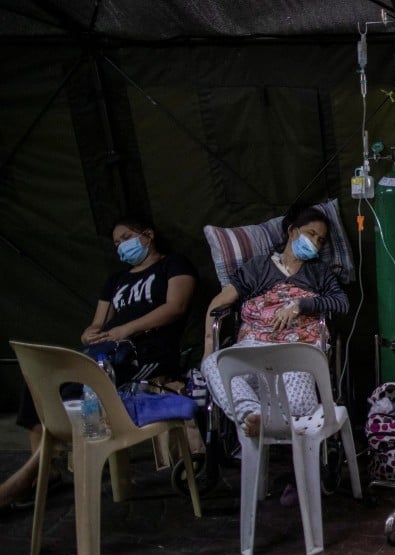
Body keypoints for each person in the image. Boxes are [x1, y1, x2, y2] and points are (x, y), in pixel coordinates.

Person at [1, 217, 197, 509]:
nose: (122, 245)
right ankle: (47, 469)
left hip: (146, 352)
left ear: (148, 235)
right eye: (117, 242)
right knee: (40, 381)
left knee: (81, 385)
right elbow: (97, 323)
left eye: (126, 237)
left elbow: (175, 306)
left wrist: (127, 329)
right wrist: (89, 333)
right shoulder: (116, 280)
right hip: (107, 349)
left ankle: (26, 477)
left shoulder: (174, 264)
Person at [202, 204, 349, 439]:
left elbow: (341, 303)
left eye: (320, 240)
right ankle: (253, 414)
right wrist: (209, 347)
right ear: (292, 231)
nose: (315, 243)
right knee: (214, 365)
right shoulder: (258, 267)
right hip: (253, 349)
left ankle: (261, 418)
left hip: (297, 350)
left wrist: (300, 305)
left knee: (300, 402)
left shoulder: (319, 273)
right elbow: (219, 304)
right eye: (311, 234)